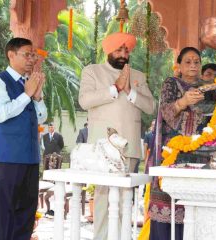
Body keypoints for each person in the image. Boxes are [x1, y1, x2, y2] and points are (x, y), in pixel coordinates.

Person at [79, 32, 155, 239]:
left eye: (126, 50)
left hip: (129, 146)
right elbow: (84, 101)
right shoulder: (92, 71)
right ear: (108, 51)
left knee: (124, 199)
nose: (123, 54)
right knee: (104, 198)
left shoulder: (138, 76)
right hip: (103, 149)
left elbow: (150, 107)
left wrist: (131, 91)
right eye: (118, 50)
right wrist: (115, 88)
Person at [148, 47, 209, 240]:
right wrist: (183, 102)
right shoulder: (171, 83)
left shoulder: (209, 88)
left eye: (197, 62)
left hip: (200, 152)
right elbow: (165, 113)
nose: (193, 65)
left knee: (195, 207)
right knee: (168, 203)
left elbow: (215, 119)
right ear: (180, 66)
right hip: (172, 153)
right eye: (188, 62)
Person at [0, 37, 47, 239]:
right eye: (27, 54)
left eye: (34, 55)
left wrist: (37, 97)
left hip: (30, 158)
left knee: (26, 214)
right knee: (5, 215)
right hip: (8, 158)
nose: (32, 59)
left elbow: (42, 117)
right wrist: (26, 95)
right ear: (11, 55)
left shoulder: (28, 82)